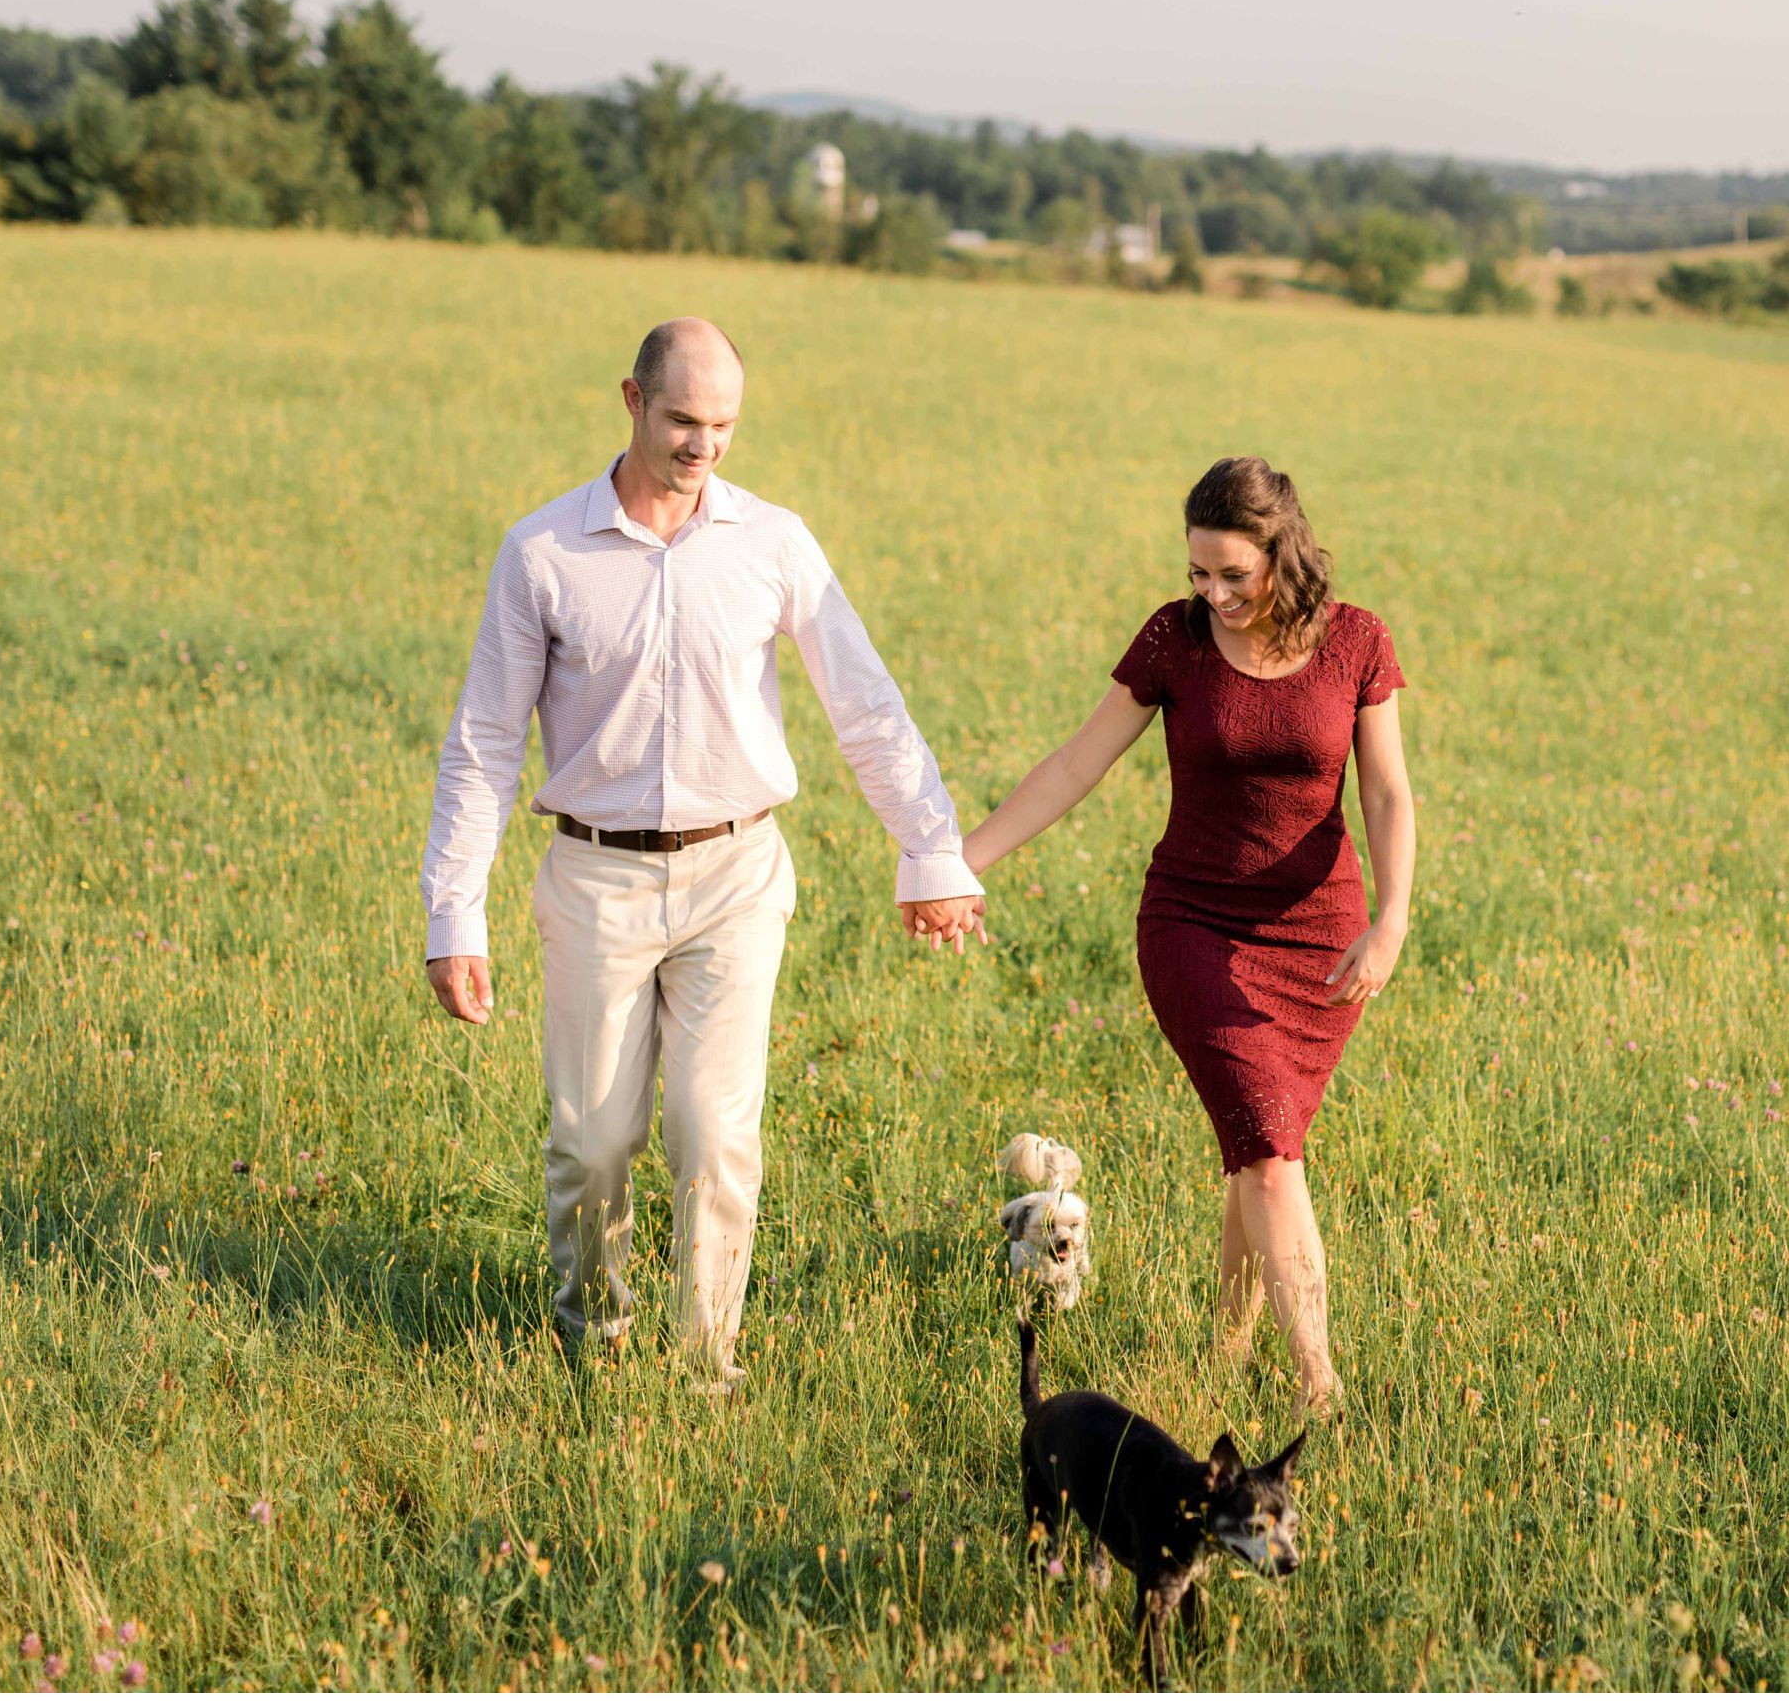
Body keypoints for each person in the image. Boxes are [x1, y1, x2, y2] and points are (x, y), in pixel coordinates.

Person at [421, 316, 986, 1391]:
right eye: (683, 419)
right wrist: (456, 913)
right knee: (591, 1145)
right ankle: (593, 1337)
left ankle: (705, 1365)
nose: (703, 446)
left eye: (723, 424)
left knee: (713, 1134)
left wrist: (932, 850)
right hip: (595, 875)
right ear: (630, 401)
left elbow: (862, 704)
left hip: (736, 873)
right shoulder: (541, 552)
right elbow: (485, 743)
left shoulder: (773, 543)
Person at [964, 456, 1415, 1415]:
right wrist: (960, 859)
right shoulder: (1176, 640)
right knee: (1268, 1144)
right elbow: (1074, 765)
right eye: (1197, 573)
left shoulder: (1356, 644)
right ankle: (1318, 1384)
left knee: (1260, 1146)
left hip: (1320, 939)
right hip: (1194, 928)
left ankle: (1225, 1348)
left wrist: (1390, 918)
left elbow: (1384, 791)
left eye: (1232, 575)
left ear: (1281, 555)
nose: (1211, 593)